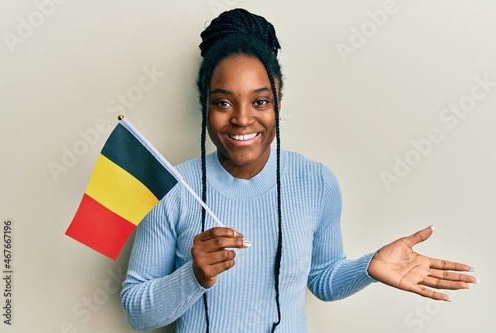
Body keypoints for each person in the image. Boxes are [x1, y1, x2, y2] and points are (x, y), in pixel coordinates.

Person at [121, 8, 477, 333]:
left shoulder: (315, 182)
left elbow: (323, 278)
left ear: (278, 102)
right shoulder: (171, 189)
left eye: (260, 101)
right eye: (223, 102)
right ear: (205, 106)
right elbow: (136, 311)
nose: (243, 118)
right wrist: (193, 276)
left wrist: (369, 267)